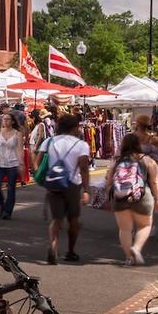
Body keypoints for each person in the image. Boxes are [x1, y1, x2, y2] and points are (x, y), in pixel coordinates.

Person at [39, 112, 94, 264]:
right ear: (74, 127)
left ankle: (53, 245)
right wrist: (86, 190)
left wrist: (44, 176)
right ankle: (71, 251)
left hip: (53, 183)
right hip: (72, 184)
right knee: (73, 219)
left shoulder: (49, 141)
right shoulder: (81, 145)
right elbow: (84, 168)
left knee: (56, 219)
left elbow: (37, 162)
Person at [103, 132, 158, 265]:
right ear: (138, 145)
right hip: (142, 196)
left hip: (120, 197)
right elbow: (154, 182)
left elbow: (108, 182)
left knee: (125, 229)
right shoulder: (147, 160)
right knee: (145, 225)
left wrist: (109, 198)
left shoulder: (116, 160)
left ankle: (128, 258)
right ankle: (136, 248)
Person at [0, 114, 25, 219]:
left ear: (13, 121)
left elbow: (19, 149)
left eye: (8, 119)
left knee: (11, 189)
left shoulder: (17, 133)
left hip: (13, 164)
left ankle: (8, 211)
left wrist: (21, 163)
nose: (5, 121)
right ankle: (2, 206)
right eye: (4, 119)